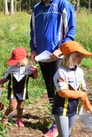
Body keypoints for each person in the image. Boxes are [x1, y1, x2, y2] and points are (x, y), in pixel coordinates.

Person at [29, 0, 76, 136]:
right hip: (43, 56)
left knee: (59, 88)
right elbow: (33, 31)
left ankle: (59, 124)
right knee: (49, 86)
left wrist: (61, 49)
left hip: (59, 56)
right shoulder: (37, 8)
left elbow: (71, 30)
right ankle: (55, 114)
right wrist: (33, 49)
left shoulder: (63, 5)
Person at [52, 41, 92, 137]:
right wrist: (79, 94)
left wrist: (88, 107)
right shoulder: (61, 72)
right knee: (64, 135)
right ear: (69, 56)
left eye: (82, 56)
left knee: (68, 131)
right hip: (61, 109)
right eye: (78, 56)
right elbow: (63, 92)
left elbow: (83, 92)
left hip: (74, 109)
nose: (81, 58)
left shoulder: (80, 72)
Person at [0, 47, 38, 128]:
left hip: (23, 91)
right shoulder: (11, 69)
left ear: (22, 60)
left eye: (16, 61)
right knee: (12, 106)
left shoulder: (28, 69)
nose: (15, 63)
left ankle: (19, 119)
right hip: (13, 90)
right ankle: (5, 116)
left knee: (20, 107)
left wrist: (35, 72)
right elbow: (6, 77)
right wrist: (1, 81)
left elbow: (34, 77)